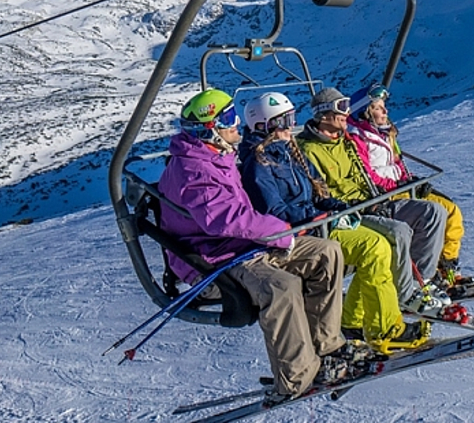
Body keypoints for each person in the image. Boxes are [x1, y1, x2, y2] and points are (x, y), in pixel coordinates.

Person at [156, 88, 368, 404]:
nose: (236, 123)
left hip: (244, 246)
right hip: (215, 259)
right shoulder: (192, 169)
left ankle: (328, 346)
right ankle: (297, 377)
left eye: (234, 114)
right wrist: (281, 231)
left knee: (326, 253)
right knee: (281, 286)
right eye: (227, 118)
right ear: (207, 129)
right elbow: (225, 219)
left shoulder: (215, 155)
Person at [236, 92, 429, 353]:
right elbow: (274, 210)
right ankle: (383, 329)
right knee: (373, 248)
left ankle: (361, 320)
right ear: (265, 125)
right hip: (302, 233)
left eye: (292, 119)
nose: (291, 126)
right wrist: (314, 214)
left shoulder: (290, 152)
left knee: (381, 244)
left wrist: (335, 206)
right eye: (284, 121)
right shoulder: (259, 164)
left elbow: (319, 189)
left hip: (319, 222)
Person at [296, 86, 451, 314]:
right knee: (398, 232)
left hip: (372, 201)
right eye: (341, 108)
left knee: (433, 213)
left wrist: (380, 193)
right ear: (324, 115)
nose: (346, 114)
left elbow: (365, 174)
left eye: (347, 107)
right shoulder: (309, 150)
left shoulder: (345, 141)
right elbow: (321, 194)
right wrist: (354, 207)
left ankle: (421, 282)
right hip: (350, 213)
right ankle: (405, 294)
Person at [347, 83, 470, 287]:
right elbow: (367, 175)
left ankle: (446, 269)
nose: (385, 111)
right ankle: (422, 280)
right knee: (434, 212)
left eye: (383, 105)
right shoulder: (357, 138)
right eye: (378, 107)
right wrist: (397, 184)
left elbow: (396, 165)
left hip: (402, 188)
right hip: (387, 194)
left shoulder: (385, 134)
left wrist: (410, 179)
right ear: (365, 112)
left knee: (451, 211)